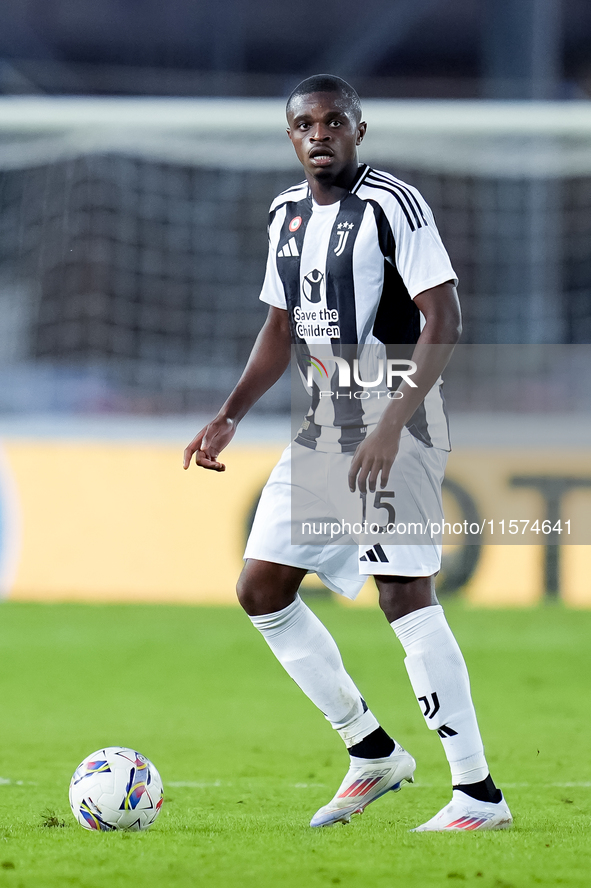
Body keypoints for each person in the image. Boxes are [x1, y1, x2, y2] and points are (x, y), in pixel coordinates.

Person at [183, 75, 512, 832]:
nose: (319, 133)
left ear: (360, 129)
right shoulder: (285, 215)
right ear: (291, 136)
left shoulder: (393, 205)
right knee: (261, 589)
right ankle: (371, 750)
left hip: (396, 417)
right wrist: (230, 413)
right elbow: (279, 327)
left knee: (403, 595)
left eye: (335, 121)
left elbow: (444, 316)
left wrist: (393, 421)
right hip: (325, 423)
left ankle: (476, 793)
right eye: (305, 123)